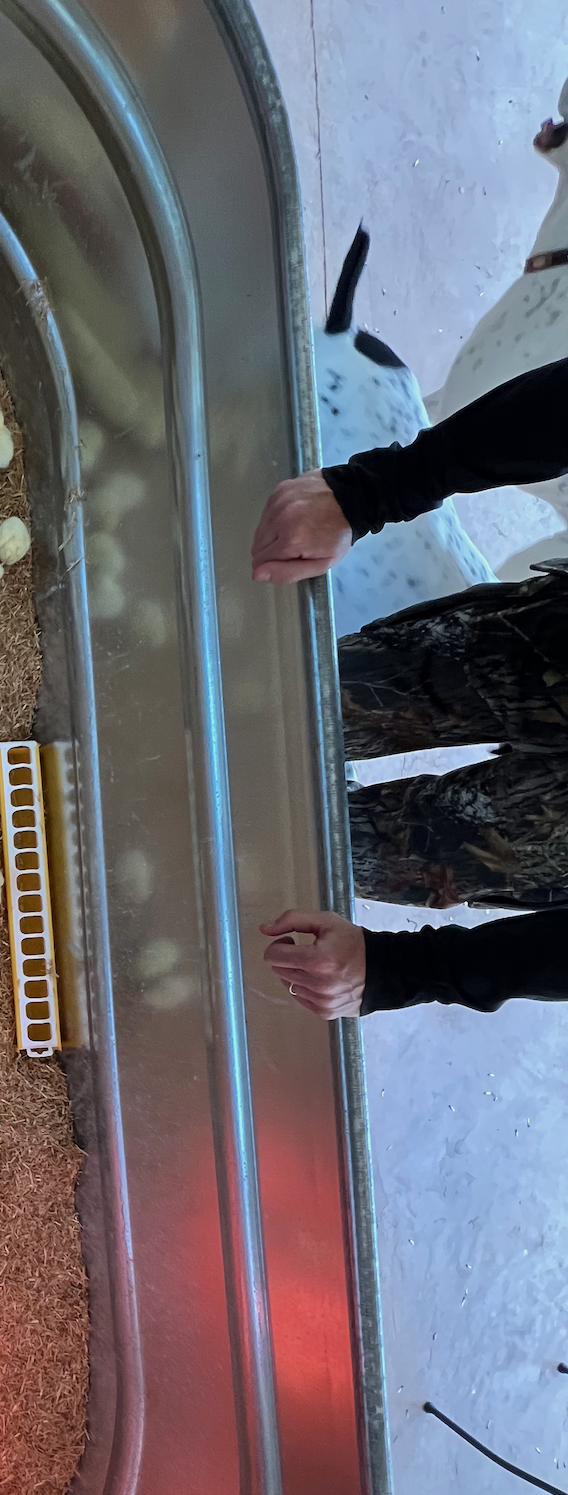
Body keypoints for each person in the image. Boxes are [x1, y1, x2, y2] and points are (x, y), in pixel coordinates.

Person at [249, 357, 568, 1018]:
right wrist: (374, 489)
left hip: (551, 833)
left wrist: (410, 970)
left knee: (280, 855)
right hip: (542, 653)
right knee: (267, 717)